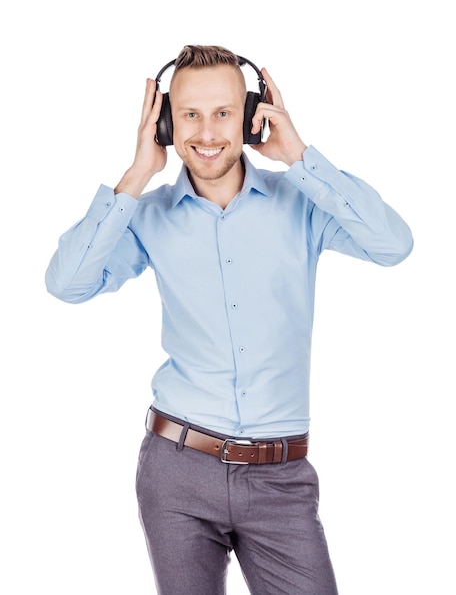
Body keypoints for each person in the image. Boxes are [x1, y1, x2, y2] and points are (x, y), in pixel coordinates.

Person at [45, 44, 413, 595]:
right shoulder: (147, 218)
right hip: (177, 470)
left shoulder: (304, 203)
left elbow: (393, 245)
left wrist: (300, 156)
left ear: (251, 116)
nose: (208, 131)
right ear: (166, 121)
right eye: (189, 114)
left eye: (224, 112)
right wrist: (138, 173)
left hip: (280, 478)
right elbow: (66, 283)